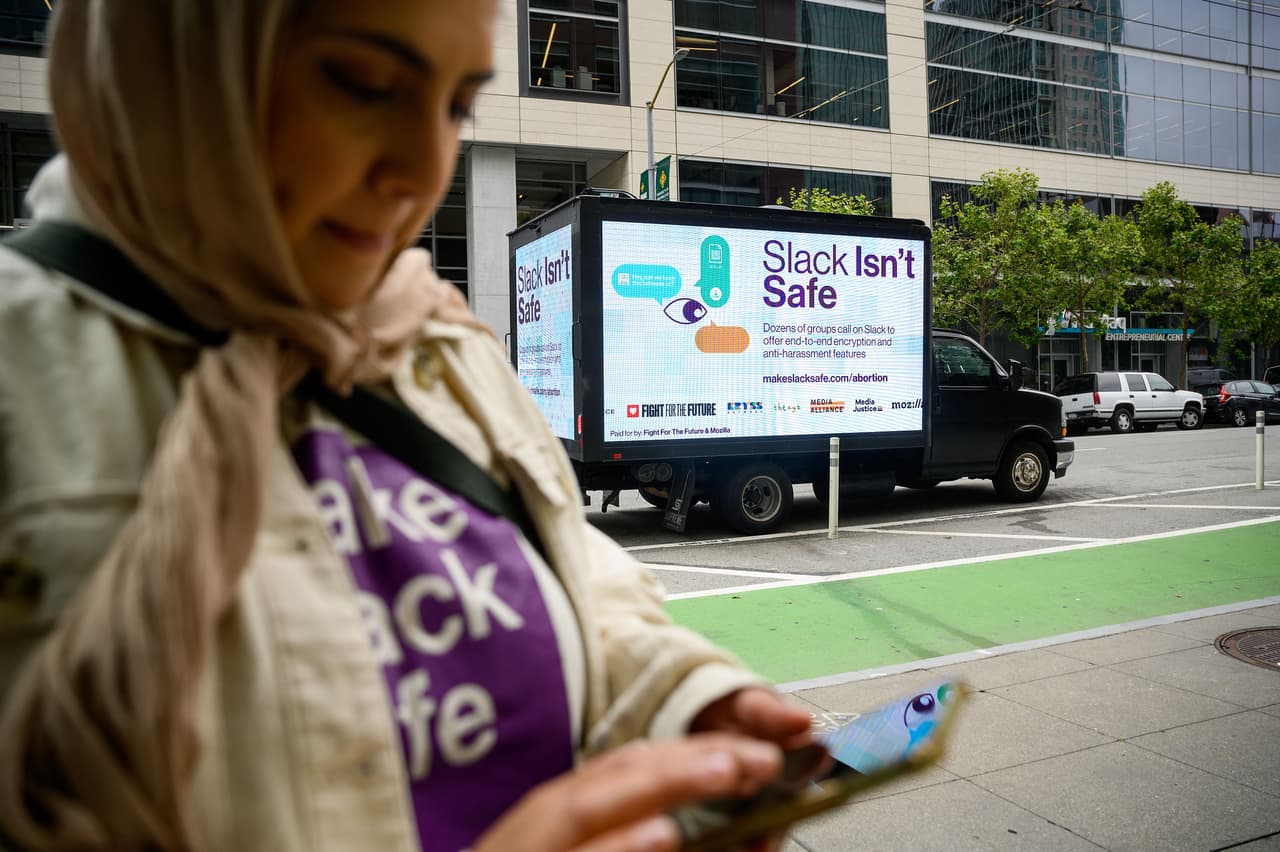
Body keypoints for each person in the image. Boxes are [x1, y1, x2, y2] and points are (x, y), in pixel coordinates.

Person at [0, 2, 813, 850]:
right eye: (362, 84)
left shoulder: (435, 337)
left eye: (458, 106)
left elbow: (566, 569)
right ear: (173, 56)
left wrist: (682, 698)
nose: (425, 170)